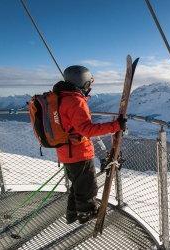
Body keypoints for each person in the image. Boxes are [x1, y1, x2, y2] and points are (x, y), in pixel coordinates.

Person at [53, 65, 126, 224]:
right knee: (88, 188)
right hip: (78, 152)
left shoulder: (59, 98)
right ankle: (87, 214)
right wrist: (116, 126)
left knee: (78, 185)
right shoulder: (75, 101)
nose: (89, 87)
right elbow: (87, 130)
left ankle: (73, 213)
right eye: (88, 83)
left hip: (65, 151)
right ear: (83, 82)